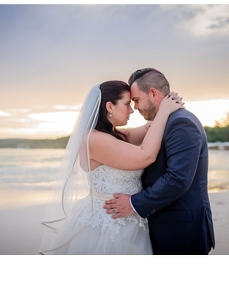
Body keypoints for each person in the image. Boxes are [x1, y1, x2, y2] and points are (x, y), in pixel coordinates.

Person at [39, 80, 184, 254]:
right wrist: (165, 111)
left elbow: (147, 129)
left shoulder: (113, 135)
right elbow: (146, 155)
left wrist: (161, 106)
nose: (131, 110)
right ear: (109, 106)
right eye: (127, 104)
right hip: (105, 226)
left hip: (125, 221)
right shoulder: (94, 139)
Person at [104, 68, 215, 255]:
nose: (135, 107)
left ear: (153, 93)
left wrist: (133, 203)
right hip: (165, 224)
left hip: (181, 229)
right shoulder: (163, 122)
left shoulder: (180, 123)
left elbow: (177, 179)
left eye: (136, 100)